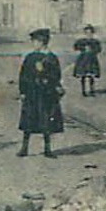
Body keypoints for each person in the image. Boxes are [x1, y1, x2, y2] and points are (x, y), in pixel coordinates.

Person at [17, 28, 65, 158]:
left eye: (36, 42)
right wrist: (22, 91)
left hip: (46, 93)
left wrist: (43, 72)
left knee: (46, 121)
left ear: (43, 42)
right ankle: (24, 147)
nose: (34, 44)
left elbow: (56, 76)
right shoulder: (30, 57)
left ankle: (47, 148)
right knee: (28, 120)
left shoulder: (51, 58)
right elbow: (23, 75)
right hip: (31, 93)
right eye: (33, 42)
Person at [73, 25, 102, 98]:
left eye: (90, 33)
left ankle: (92, 90)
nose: (89, 34)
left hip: (92, 60)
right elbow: (76, 47)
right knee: (83, 76)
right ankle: (83, 91)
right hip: (83, 60)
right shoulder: (81, 41)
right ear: (85, 33)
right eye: (87, 33)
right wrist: (83, 48)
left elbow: (99, 49)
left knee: (91, 76)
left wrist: (92, 50)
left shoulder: (95, 41)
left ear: (92, 33)